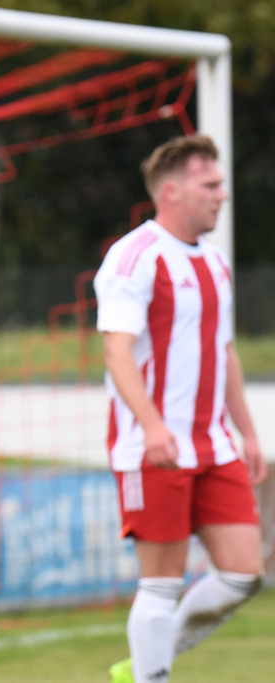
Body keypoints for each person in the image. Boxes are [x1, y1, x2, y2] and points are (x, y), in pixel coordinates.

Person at [94, 134, 266, 683]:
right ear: (172, 191)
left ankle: (147, 660)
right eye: (211, 184)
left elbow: (225, 352)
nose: (223, 195)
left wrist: (250, 433)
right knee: (162, 583)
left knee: (245, 574)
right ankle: (151, 674)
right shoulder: (134, 256)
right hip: (154, 446)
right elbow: (116, 350)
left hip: (213, 443)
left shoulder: (215, 262)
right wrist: (152, 426)